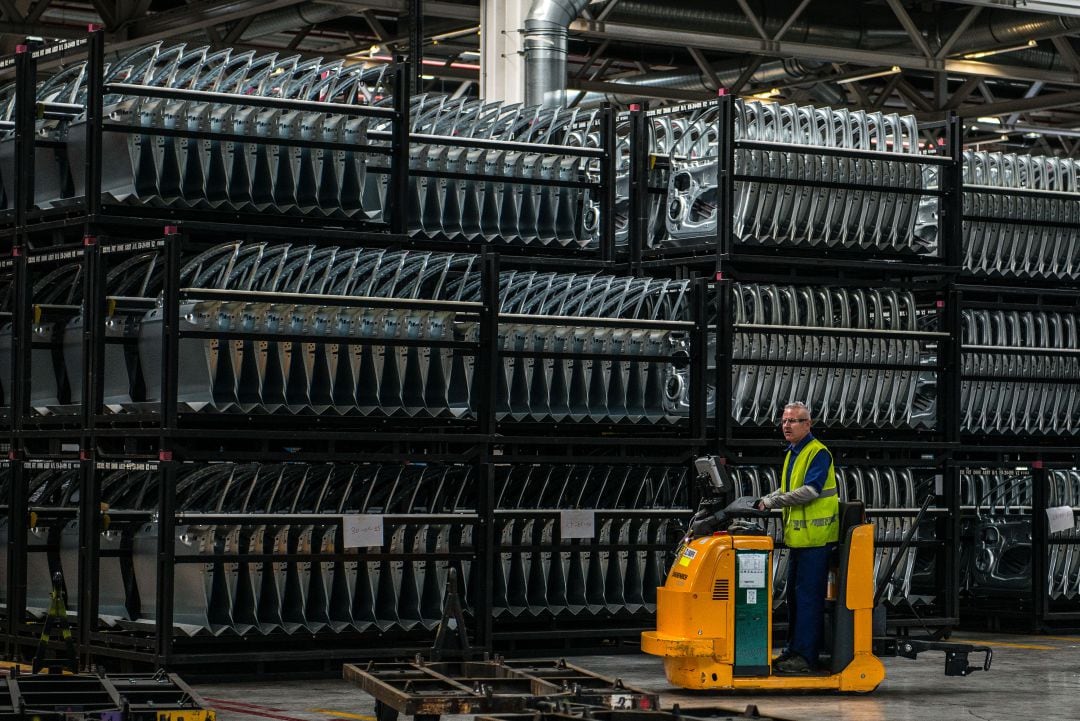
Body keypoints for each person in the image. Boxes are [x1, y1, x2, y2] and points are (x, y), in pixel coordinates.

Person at [754, 401, 839, 674]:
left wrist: (773, 503)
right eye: (784, 421)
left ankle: (805, 657)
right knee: (794, 597)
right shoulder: (793, 452)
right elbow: (788, 487)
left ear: (808, 424)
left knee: (808, 600)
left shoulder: (818, 453)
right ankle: (793, 651)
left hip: (816, 541)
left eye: (793, 421)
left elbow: (810, 491)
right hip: (799, 541)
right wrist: (768, 498)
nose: (786, 426)